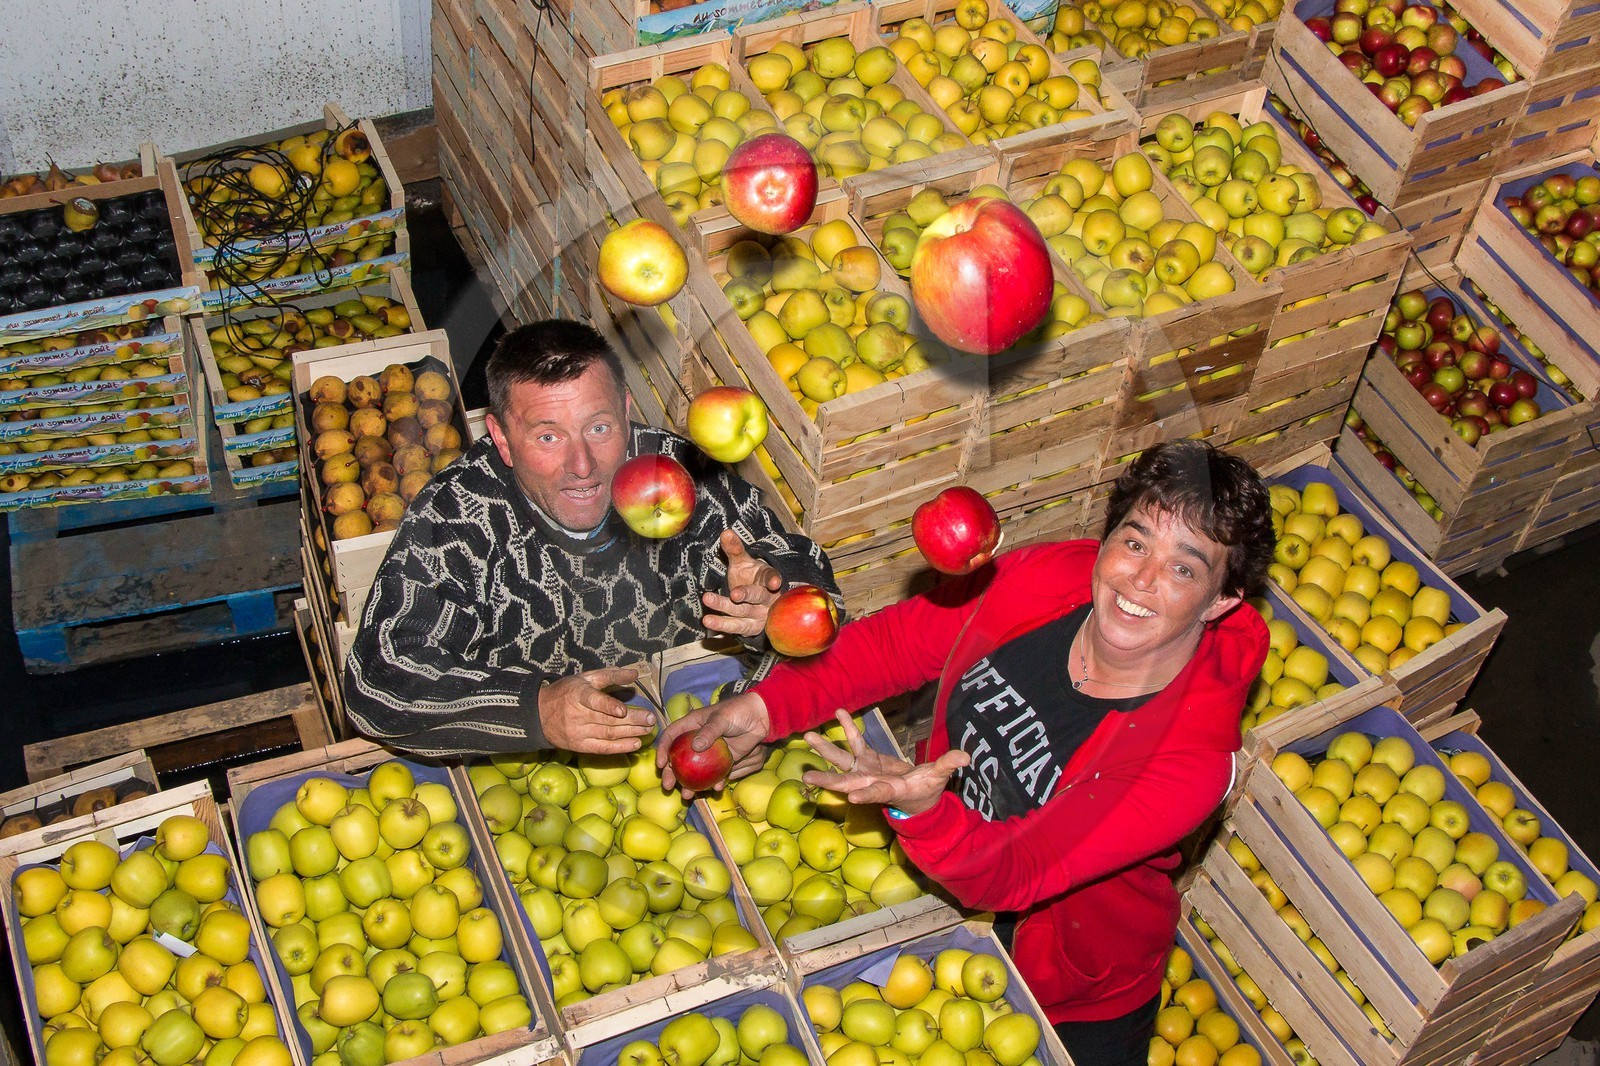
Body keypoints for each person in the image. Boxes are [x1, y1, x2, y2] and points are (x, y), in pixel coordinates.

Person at [660, 441, 1274, 1066]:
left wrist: (921, 811)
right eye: (1134, 542)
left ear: (1222, 600)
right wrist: (760, 710)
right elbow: (896, 646)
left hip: (1067, 982)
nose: (1139, 579)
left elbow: (1020, 868)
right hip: (940, 890)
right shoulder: (1054, 577)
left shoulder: (1188, 758)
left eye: (1184, 569)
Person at [344, 319, 841, 759]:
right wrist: (534, 710)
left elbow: (805, 571)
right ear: (500, 438)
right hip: (529, 770)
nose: (582, 466)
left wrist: (777, 607)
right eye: (548, 437)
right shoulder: (458, 517)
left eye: (599, 427)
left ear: (626, 412)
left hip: (687, 728)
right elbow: (376, 680)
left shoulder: (677, 476)